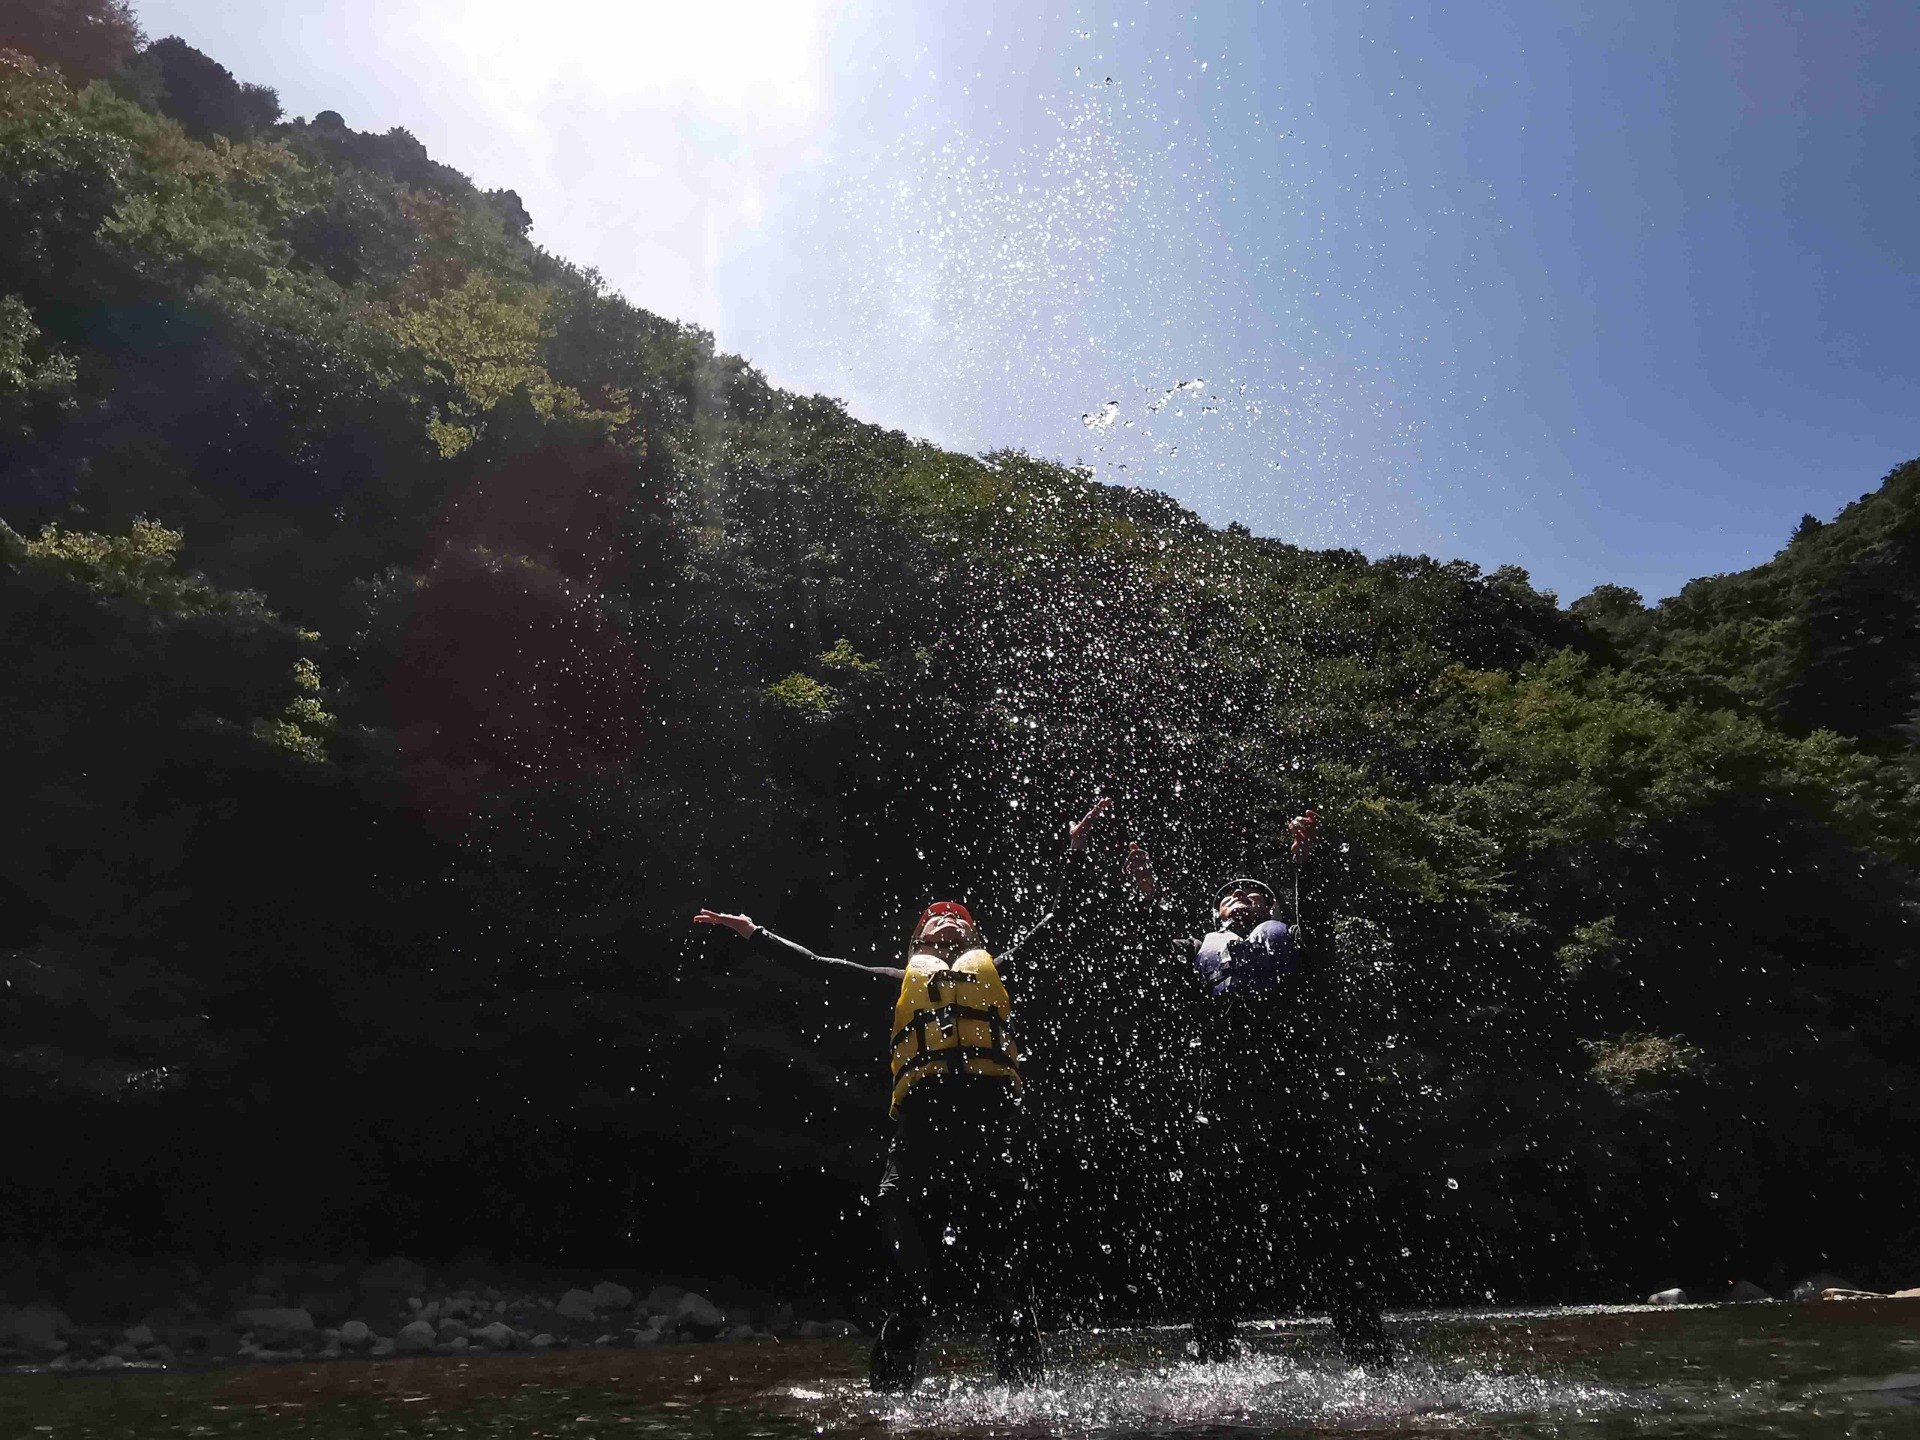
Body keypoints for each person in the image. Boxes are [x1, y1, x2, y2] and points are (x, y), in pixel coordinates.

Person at [692, 798, 1117, 1392]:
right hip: (921, 1140)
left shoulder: (998, 970)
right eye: (934, 919)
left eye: (958, 920)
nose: (946, 922)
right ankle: (889, 1410)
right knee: (914, 1294)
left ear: (973, 936)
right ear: (917, 939)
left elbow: (1063, 917)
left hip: (992, 1132)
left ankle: (1029, 1409)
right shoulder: (898, 985)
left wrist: (1075, 851)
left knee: (1007, 1290)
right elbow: (818, 966)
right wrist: (754, 932)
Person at [1129, 840, 1394, 1367]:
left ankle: (1370, 1360)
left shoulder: (1295, 941)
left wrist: (1304, 869)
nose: (1244, 898)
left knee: (1333, 1232)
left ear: (1272, 911)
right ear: (1217, 914)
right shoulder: (1197, 951)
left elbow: (1317, 921)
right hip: (1223, 1108)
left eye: (1256, 895)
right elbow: (1153, 940)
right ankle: (1214, 1362)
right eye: (1233, 896)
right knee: (1211, 1237)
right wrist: (1145, 891)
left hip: (1297, 1104)